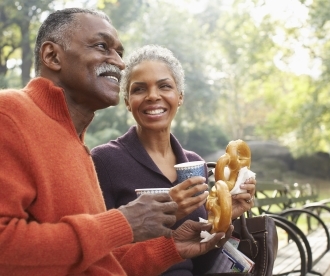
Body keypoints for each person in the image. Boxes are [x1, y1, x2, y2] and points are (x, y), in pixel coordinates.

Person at [0, 8, 232, 276]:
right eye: (102, 47)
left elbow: (99, 263)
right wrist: (123, 223)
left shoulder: (76, 144)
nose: (119, 63)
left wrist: (172, 248)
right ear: (52, 56)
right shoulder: (10, 114)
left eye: (119, 53)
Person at [91, 45, 256, 275]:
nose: (152, 96)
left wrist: (225, 218)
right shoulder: (105, 161)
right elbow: (99, 258)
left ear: (179, 97)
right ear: (127, 101)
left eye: (164, 86)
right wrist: (167, 212)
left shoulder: (195, 163)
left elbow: (200, 262)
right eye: (139, 89)